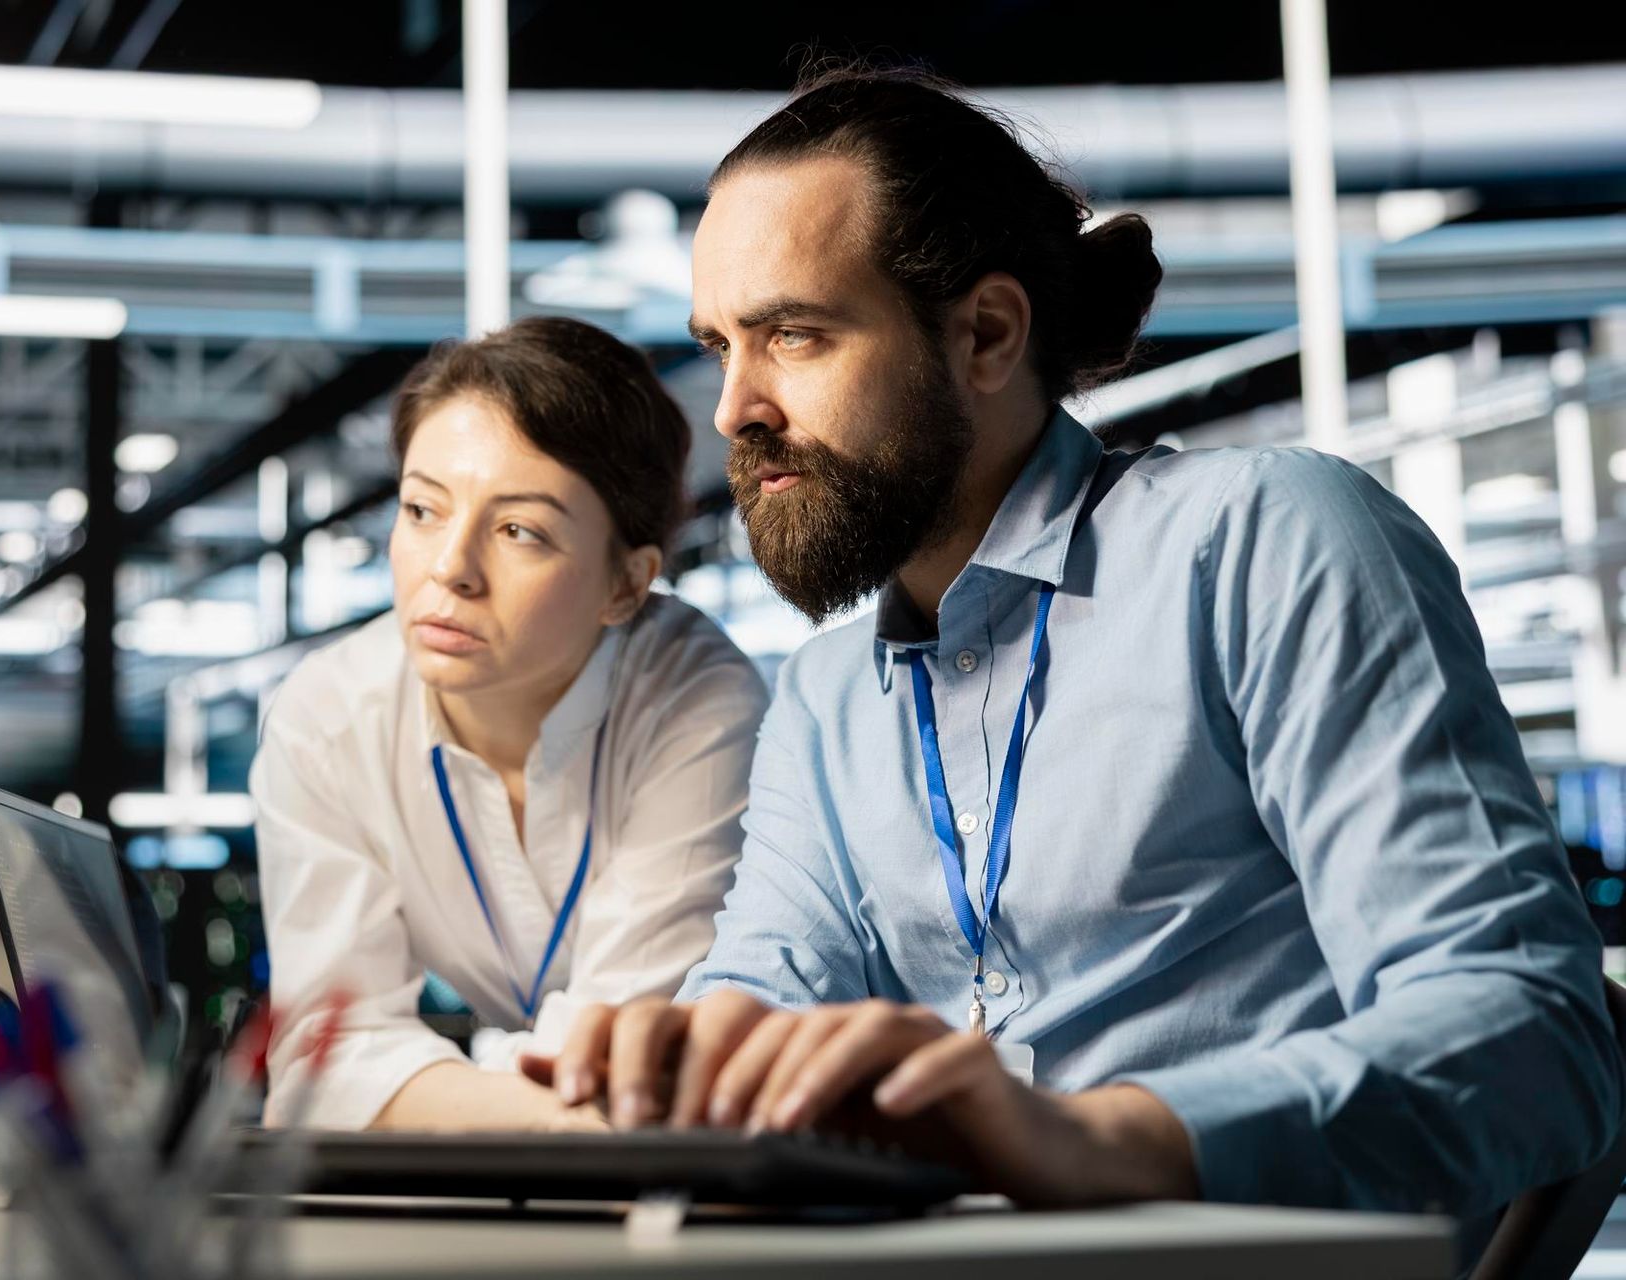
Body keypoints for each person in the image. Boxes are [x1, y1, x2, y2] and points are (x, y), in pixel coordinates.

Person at [522, 66, 1623, 1253]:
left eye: (794, 333)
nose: (735, 405)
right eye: (718, 344)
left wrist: (1101, 1140)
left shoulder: (1264, 542)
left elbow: (1534, 1038)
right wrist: (678, 1068)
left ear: (986, 334)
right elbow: (762, 990)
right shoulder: (832, 701)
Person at [254, 316, 768, 1132]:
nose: (449, 569)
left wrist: (416, 1099)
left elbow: (632, 1058)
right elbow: (321, 1060)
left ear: (626, 587)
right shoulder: (327, 717)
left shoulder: (699, 703)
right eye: (422, 510)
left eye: (519, 531)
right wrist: (540, 1111)